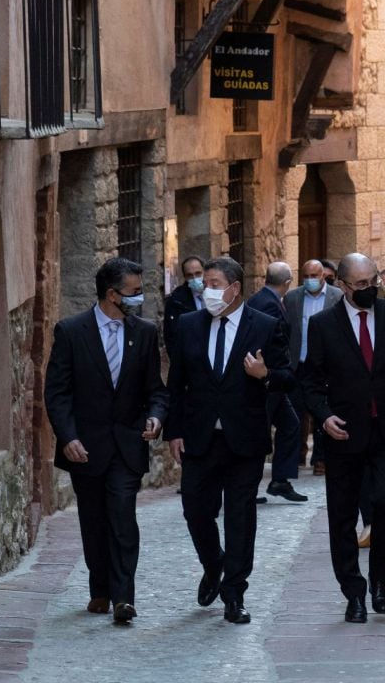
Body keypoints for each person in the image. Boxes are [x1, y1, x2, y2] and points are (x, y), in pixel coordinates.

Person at [164, 257, 294, 625]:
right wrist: (174, 430)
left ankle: (234, 592)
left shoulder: (265, 326)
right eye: (205, 283)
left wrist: (264, 373)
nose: (207, 290)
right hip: (200, 437)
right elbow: (177, 384)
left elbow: (288, 378)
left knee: (240, 517)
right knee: (195, 510)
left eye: (214, 283)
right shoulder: (189, 325)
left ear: (235, 288)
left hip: (244, 439)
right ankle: (213, 563)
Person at [44, 258, 168, 624]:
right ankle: (99, 587)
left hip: (128, 445)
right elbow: (58, 392)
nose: (138, 298)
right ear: (112, 295)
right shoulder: (70, 331)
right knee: (94, 521)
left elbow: (156, 390)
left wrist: (156, 417)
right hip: (86, 448)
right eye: (133, 292)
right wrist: (67, 437)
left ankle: (123, 598)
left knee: (123, 518)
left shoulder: (144, 332)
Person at [302, 253, 385, 623]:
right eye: (361, 284)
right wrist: (323, 417)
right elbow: (310, 381)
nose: (370, 289)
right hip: (344, 433)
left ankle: (380, 581)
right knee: (342, 514)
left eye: (374, 281)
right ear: (342, 285)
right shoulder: (323, 325)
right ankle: (352, 592)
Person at [246, 262, 308, 502]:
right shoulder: (267, 304)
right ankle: (247, 487)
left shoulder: (262, 299)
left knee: (291, 425)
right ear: (288, 282)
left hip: (274, 380)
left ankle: (280, 480)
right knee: (258, 433)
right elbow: (267, 342)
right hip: (267, 379)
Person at [283, 260, 343, 475]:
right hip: (298, 364)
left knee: (322, 413)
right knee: (296, 412)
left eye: (314, 275)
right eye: (306, 276)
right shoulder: (292, 298)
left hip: (325, 366)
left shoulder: (338, 297)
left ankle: (321, 459)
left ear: (323, 276)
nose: (310, 280)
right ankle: (298, 456)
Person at [164, 255, 206, 360]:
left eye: (198, 273)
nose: (195, 278)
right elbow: (171, 336)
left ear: (205, 272)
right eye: (190, 275)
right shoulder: (176, 301)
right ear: (185, 277)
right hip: (191, 358)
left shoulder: (217, 292)